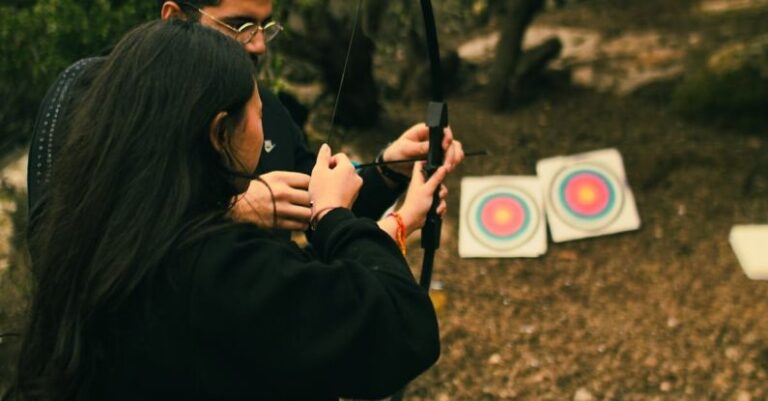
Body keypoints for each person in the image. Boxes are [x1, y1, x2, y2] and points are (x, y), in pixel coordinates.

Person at [8, 20, 446, 401]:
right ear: (219, 132)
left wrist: (390, 190)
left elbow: (293, 295)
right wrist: (332, 213)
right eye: (256, 114)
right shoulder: (217, 271)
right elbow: (401, 330)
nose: (256, 43)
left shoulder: (102, 235)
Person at [27, 0, 465, 236]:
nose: (257, 45)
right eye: (240, 26)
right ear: (176, 18)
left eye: (264, 27)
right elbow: (58, 238)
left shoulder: (259, 108)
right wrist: (231, 212)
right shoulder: (91, 90)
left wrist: (389, 169)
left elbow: (318, 198)